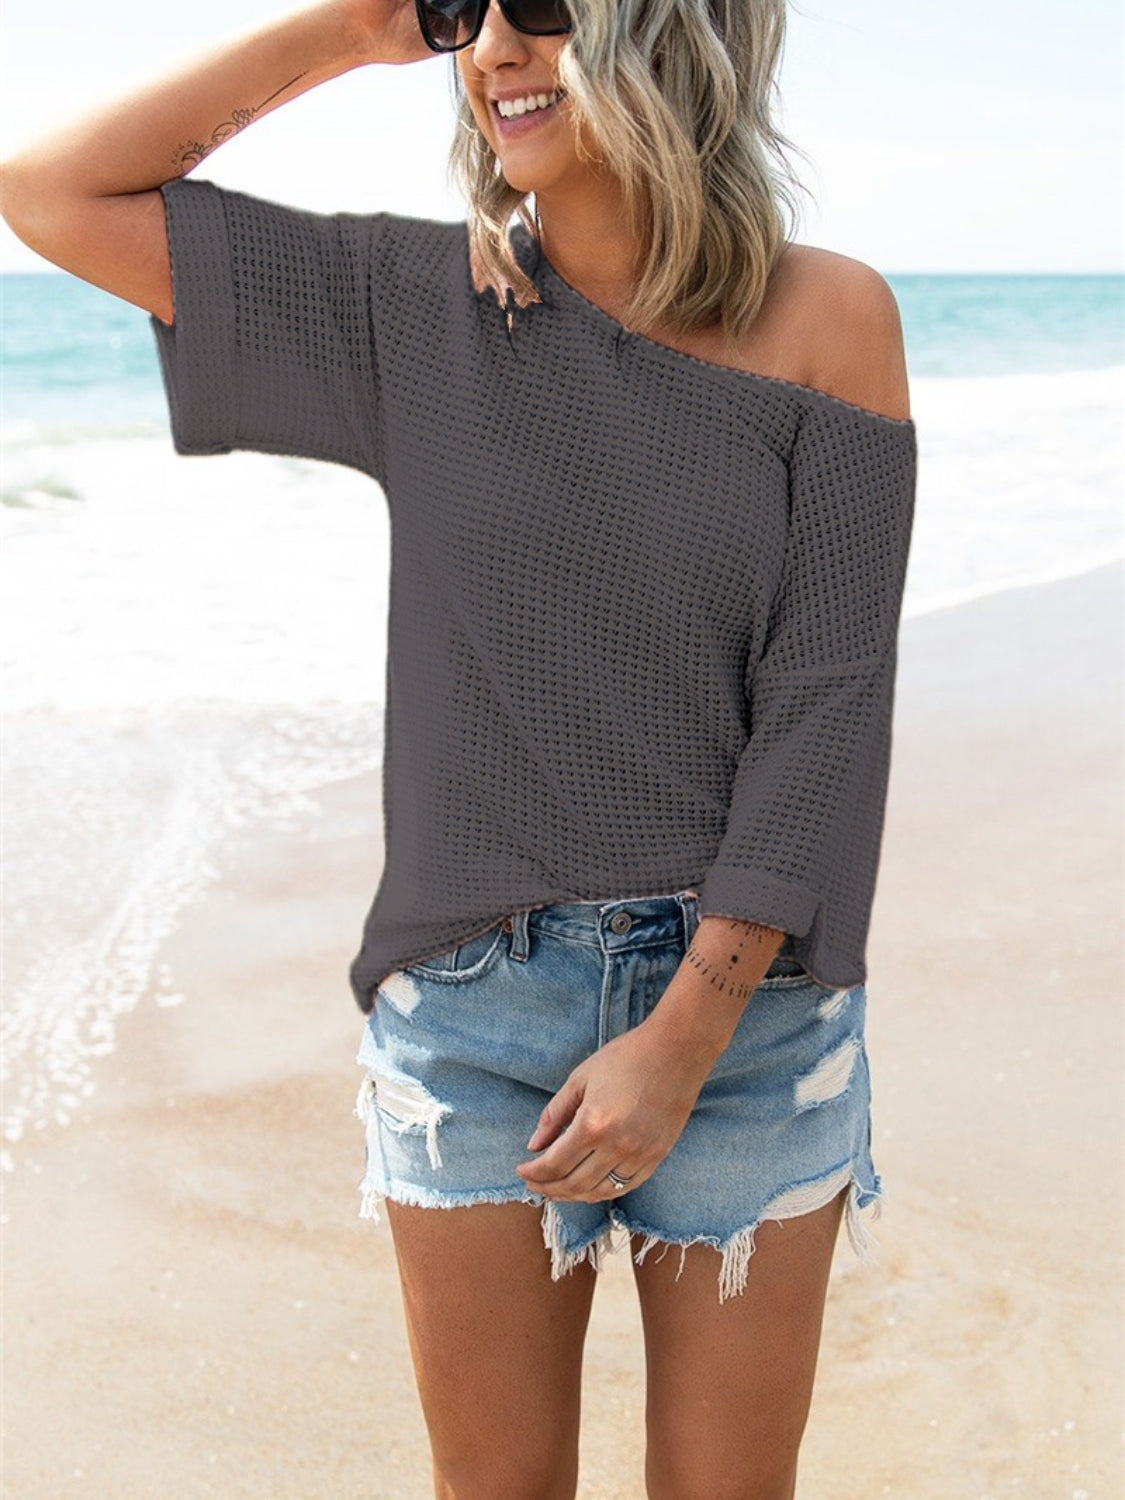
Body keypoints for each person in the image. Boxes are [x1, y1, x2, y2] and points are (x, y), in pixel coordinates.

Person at [0, 0, 916, 1494]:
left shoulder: (832, 319)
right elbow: (50, 192)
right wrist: (354, 31)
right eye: (465, 13)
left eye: (541, 11)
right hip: (473, 1013)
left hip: (750, 1018)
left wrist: (683, 1036)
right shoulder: (412, 307)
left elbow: (831, 699)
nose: (492, 48)